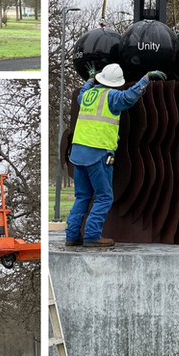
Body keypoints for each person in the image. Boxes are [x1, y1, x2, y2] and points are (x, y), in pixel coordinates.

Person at [65, 64, 164, 248]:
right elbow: (129, 96)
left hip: (78, 153)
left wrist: (90, 79)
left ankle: (72, 236)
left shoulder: (87, 95)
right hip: (98, 153)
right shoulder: (112, 96)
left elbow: (82, 92)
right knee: (104, 197)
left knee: (82, 197)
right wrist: (147, 78)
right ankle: (92, 235)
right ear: (116, 83)